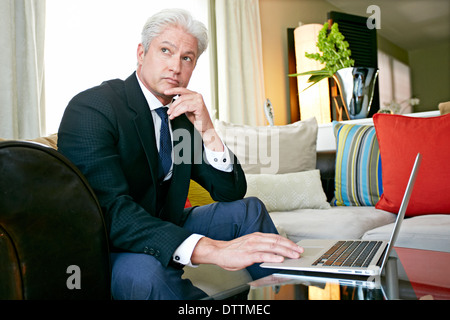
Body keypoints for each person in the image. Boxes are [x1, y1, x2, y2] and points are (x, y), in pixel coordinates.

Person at [57, 8, 303, 300]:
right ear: (141, 52)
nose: (175, 66)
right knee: (147, 273)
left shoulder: (180, 120)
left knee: (249, 209)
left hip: (166, 220)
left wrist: (208, 129)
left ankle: (286, 292)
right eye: (166, 51)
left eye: (187, 58)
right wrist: (211, 249)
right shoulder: (94, 109)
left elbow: (230, 192)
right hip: (109, 244)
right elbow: (111, 212)